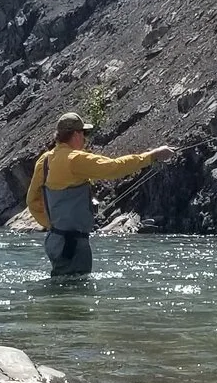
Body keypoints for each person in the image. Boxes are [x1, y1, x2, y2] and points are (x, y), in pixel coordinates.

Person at [25, 113, 172, 276]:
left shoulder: (45, 160)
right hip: (73, 245)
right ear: (76, 134)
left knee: (61, 284)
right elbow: (114, 168)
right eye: (84, 134)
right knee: (76, 288)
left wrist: (53, 226)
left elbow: (32, 201)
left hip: (54, 241)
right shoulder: (75, 159)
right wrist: (152, 156)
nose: (85, 139)